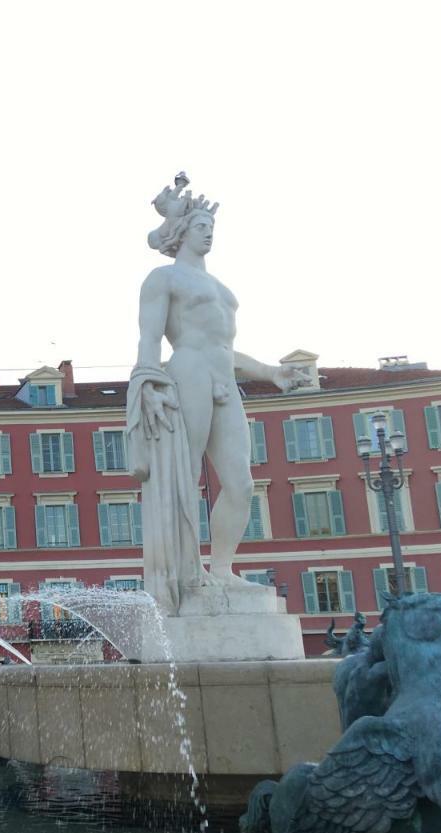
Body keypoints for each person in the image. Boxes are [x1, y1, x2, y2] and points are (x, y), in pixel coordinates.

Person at [132, 174, 310, 611]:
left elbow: (225, 350)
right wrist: (148, 385)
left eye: (212, 226)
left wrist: (270, 372)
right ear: (180, 234)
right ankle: (186, 574)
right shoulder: (163, 279)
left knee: (242, 483)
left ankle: (222, 570)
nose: (209, 232)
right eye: (200, 226)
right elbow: (149, 340)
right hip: (187, 371)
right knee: (183, 474)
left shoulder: (223, 291)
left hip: (224, 379)